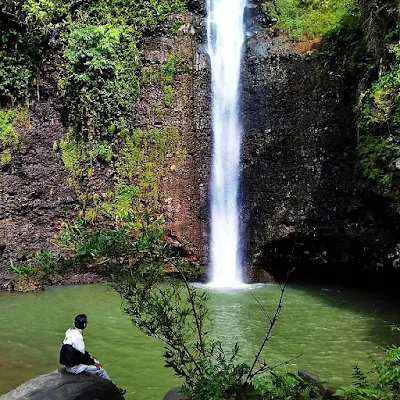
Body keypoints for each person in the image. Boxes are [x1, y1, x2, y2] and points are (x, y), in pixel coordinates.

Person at [59, 314, 126, 395]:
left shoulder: (70, 331)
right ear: (84, 325)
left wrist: (90, 357)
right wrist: (94, 363)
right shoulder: (77, 337)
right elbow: (81, 355)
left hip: (68, 365)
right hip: (73, 368)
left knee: (94, 359)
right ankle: (114, 388)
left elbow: (76, 351)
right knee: (100, 369)